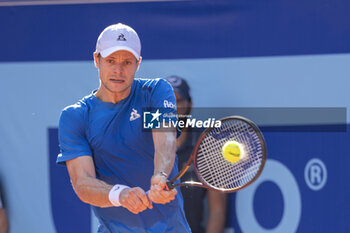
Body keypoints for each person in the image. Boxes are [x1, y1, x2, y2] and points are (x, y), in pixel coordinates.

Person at [57, 23, 191, 233]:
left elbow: (165, 137)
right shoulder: (75, 116)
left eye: (127, 62)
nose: (118, 70)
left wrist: (160, 176)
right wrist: (120, 194)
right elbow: (83, 183)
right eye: (111, 61)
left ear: (138, 64)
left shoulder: (156, 91)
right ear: (96, 59)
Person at [166, 75, 227, 233]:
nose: (173, 107)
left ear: (190, 105)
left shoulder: (206, 146)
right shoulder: (143, 145)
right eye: (167, 102)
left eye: (178, 101)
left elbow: (217, 211)